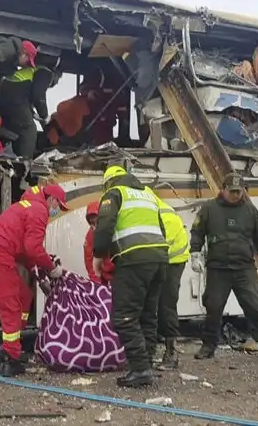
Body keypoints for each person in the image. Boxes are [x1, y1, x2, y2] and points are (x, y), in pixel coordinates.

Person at [189, 172, 258, 362]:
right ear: (223, 190)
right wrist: (195, 254)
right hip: (218, 268)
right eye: (232, 191)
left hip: (244, 268)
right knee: (213, 308)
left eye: (239, 191)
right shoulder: (209, 209)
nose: (236, 195)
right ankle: (208, 346)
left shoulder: (250, 211)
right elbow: (197, 232)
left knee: (256, 306)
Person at [0, 184, 69, 376]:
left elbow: (26, 250)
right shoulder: (39, 211)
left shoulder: (28, 206)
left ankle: (12, 343)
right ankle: (11, 358)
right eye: (59, 205)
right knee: (11, 303)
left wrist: (39, 270)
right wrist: (52, 269)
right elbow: (33, 248)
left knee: (24, 296)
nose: (57, 211)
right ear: (52, 200)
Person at [92, 165, 169, 387]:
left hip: (133, 259)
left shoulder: (115, 193)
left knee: (124, 316)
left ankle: (141, 369)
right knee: (147, 313)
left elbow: (105, 225)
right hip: (160, 258)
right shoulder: (148, 194)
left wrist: (99, 255)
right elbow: (161, 227)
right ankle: (147, 362)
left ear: (108, 182)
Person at [144, 187, 189, 371]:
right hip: (158, 260)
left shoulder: (164, 215)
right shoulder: (147, 212)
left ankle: (171, 352)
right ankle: (149, 352)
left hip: (173, 261)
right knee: (151, 305)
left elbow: (160, 245)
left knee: (166, 304)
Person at [0, 55, 59, 159]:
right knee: (29, 130)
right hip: (16, 101)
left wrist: (33, 114)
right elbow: (38, 96)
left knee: (14, 130)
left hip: (3, 101)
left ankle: (9, 158)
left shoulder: (30, 70)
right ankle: (25, 162)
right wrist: (44, 115)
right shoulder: (46, 72)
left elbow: (24, 93)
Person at [83, 201, 115, 285]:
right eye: (92, 223)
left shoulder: (115, 228)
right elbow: (89, 261)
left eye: (97, 222)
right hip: (105, 277)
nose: (95, 226)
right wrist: (96, 282)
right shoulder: (90, 236)